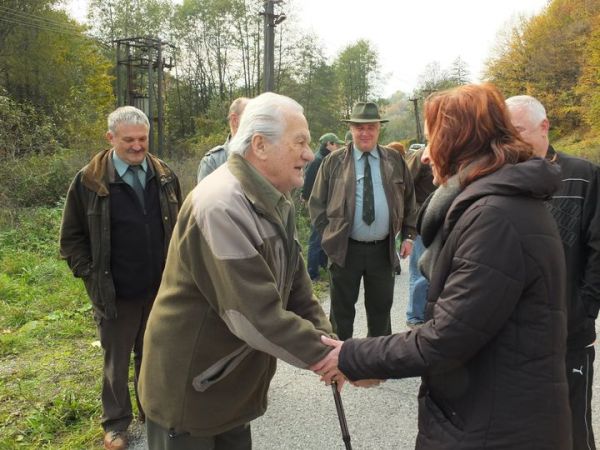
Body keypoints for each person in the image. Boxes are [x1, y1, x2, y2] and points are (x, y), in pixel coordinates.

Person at [313, 84, 571, 449]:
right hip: (486, 413)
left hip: (495, 427)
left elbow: (446, 338)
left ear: (459, 142)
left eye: (434, 138)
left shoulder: (494, 217)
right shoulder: (495, 205)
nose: (427, 154)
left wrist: (355, 356)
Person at [138, 92, 339, 450]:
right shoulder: (220, 206)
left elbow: (296, 288)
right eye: (300, 142)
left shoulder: (276, 200)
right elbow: (255, 317)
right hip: (191, 391)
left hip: (228, 387)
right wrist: (333, 359)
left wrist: (328, 342)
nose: (309, 154)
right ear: (260, 145)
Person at [59, 106, 182, 450]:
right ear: (111, 138)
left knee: (154, 353)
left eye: (143, 138)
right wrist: (90, 274)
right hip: (116, 292)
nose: (138, 146)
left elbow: (181, 228)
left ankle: (153, 412)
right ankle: (115, 424)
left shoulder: (166, 175)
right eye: (129, 139)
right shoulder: (89, 180)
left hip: (160, 288)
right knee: (116, 362)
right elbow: (70, 239)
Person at [506, 94, 599, 450]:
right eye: (506, 133)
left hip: (569, 331)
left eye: (519, 131)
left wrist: (584, 310)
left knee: (573, 427)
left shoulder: (584, 176)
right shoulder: (502, 178)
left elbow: (598, 250)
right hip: (514, 332)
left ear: (544, 127)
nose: (512, 142)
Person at [309, 102, 417, 340]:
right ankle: (339, 362)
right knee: (341, 311)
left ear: (379, 129)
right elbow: (316, 205)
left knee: (381, 309)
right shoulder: (333, 162)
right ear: (351, 129)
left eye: (370, 127)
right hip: (345, 249)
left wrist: (409, 235)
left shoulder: (394, 160)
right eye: (359, 127)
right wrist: (330, 237)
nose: (365, 132)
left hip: (382, 250)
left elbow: (410, 200)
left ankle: (377, 361)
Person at [302, 132, 345, 281]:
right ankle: (312, 274)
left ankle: (322, 266)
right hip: (318, 205)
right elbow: (308, 183)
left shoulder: (326, 159)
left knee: (323, 236)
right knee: (315, 239)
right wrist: (307, 199)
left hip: (326, 204)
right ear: (329, 144)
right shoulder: (317, 160)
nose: (338, 147)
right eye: (336, 144)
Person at [404, 145, 436, 328]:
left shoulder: (450, 151)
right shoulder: (419, 156)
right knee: (420, 271)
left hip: (441, 219)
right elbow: (405, 185)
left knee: (435, 271)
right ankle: (414, 317)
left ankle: (428, 316)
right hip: (421, 220)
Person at [197, 97, 249, 182]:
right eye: (251, 117)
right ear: (235, 121)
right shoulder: (212, 163)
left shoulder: (260, 158)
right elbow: (204, 195)